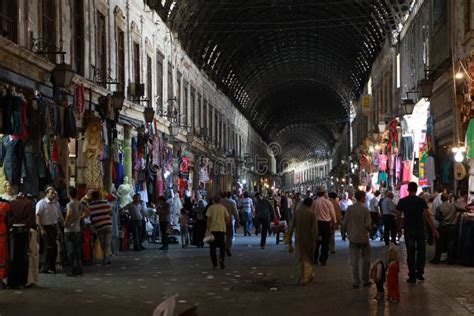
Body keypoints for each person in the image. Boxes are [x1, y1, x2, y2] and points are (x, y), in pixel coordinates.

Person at [396, 182, 439, 283]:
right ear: (416, 190)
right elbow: (427, 215)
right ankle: (420, 273)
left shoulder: (403, 201)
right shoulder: (421, 201)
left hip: (408, 230)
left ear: (408, 190)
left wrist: (398, 229)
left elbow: (398, 216)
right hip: (420, 229)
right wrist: (433, 228)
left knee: (410, 253)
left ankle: (412, 276)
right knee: (421, 251)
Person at [341, 190, 372, 289]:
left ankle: (356, 281)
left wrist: (343, 233)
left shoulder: (350, 209)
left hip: (353, 237)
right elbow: (368, 225)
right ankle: (365, 279)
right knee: (366, 259)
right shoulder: (365, 210)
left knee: (354, 261)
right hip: (363, 238)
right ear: (362, 197)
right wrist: (371, 230)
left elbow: (345, 222)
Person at [287, 197, 318, 285]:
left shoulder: (297, 212)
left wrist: (289, 238)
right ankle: (307, 276)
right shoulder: (312, 214)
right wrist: (315, 239)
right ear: (310, 204)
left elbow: (291, 225)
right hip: (309, 239)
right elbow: (315, 229)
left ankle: (302, 277)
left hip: (299, 238)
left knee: (300, 258)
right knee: (308, 258)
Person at [36, 187, 64, 274]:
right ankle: (45, 267)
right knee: (48, 247)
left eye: (54, 193)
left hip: (53, 227)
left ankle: (52, 267)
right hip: (45, 227)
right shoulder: (41, 203)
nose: (53, 194)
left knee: (54, 247)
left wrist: (60, 227)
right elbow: (38, 216)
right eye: (51, 193)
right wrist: (41, 228)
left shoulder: (56, 203)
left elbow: (59, 215)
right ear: (47, 193)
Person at [63, 187, 87, 276]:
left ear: (69, 195)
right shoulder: (79, 204)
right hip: (77, 230)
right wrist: (80, 218)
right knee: (78, 251)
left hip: (69, 230)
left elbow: (69, 213)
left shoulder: (69, 204)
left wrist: (66, 222)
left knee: (70, 251)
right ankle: (79, 269)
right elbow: (88, 211)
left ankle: (72, 270)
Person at [430, 193, 458, 264]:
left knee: (439, 244)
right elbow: (462, 209)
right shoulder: (453, 206)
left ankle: (437, 260)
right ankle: (450, 260)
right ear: (448, 198)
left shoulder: (439, 207)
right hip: (452, 227)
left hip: (442, 227)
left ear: (441, 199)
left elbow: (437, 217)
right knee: (450, 244)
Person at [312, 186, 336, 266]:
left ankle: (315, 258)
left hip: (317, 224)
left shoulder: (314, 202)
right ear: (324, 193)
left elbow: (311, 214)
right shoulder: (328, 202)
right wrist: (334, 222)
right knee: (325, 242)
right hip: (326, 224)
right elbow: (332, 214)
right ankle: (323, 260)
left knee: (316, 241)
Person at [88, 191, 113, 265]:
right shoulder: (105, 202)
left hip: (99, 226)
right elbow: (111, 213)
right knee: (107, 243)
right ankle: (107, 258)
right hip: (108, 224)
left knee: (103, 243)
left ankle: (106, 259)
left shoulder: (90, 205)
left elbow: (90, 216)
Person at [206, 195, 230, 269]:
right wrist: (224, 223)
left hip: (213, 229)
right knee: (222, 246)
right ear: (220, 201)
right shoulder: (223, 208)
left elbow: (209, 219)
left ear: (213, 201)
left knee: (212, 247)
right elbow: (228, 218)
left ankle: (215, 264)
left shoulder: (211, 208)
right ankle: (221, 259)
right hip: (221, 229)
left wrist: (207, 228)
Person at [220, 192, 240, 256]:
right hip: (229, 221)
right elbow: (235, 212)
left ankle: (222, 247)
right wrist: (237, 220)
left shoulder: (218, 203)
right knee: (229, 235)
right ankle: (228, 247)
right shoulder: (231, 202)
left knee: (221, 235)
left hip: (220, 221)